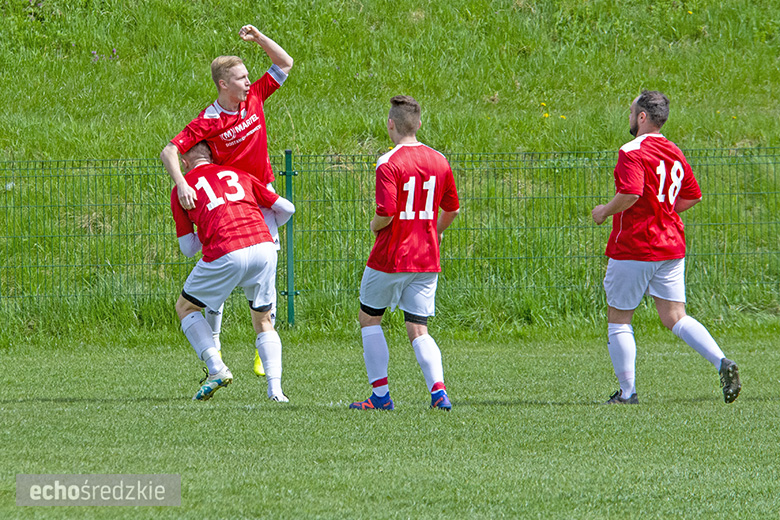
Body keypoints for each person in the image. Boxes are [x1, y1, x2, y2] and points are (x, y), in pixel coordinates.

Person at [591, 90, 741, 405]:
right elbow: (692, 195)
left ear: (642, 117)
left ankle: (628, 393)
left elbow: (631, 193)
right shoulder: (674, 150)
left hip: (635, 244)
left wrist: (604, 211)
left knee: (619, 318)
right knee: (675, 316)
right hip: (670, 246)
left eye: (631, 111)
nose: (629, 116)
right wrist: (663, 211)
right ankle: (721, 362)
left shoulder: (631, 150)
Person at [161, 24, 293, 378]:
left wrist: (261, 38)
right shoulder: (209, 120)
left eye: (249, 76)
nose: (249, 82)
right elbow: (170, 150)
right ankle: (215, 341)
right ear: (223, 84)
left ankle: (261, 347)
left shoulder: (254, 98)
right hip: (235, 202)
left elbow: (285, 63)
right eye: (241, 77)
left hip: (260, 193)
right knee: (219, 266)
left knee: (266, 276)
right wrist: (182, 184)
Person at [349, 96, 460, 411]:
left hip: (391, 255)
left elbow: (386, 211)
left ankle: (381, 397)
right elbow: (452, 208)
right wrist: (433, 231)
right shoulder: (439, 160)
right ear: (420, 123)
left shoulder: (388, 162)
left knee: (370, 319)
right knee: (418, 327)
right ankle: (439, 392)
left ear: (390, 124)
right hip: (426, 257)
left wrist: (374, 225)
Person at [171, 142, 294, 402]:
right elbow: (287, 208)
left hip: (226, 250)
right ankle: (276, 391)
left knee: (185, 307)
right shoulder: (239, 174)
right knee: (263, 320)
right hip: (263, 247)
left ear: (184, 163)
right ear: (213, 156)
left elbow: (187, 249)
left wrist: (210, 227)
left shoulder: (181, 189)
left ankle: (216, 368)